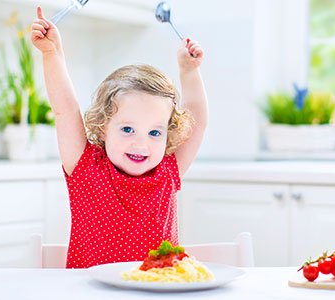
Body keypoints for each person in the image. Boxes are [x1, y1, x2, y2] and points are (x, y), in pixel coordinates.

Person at [30, 6, 207, 268]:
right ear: (102, 126)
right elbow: (65, 110)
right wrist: (52, 53)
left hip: (154, 291)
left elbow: (197, 122)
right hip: (88, 292)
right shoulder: (85, 167)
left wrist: (189, 72)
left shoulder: (168, 171)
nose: (141, 143)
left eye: (155, 132)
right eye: (127, 129)